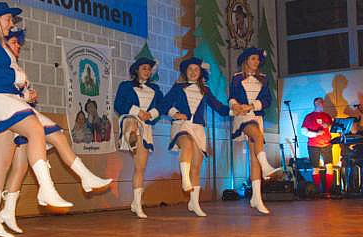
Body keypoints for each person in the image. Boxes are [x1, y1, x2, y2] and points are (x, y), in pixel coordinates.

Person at [0, 2, 71, 237]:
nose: (11, 24)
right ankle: (46, 189)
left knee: (3, 164)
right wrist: (20, 80)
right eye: (8, 19)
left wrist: (24, 92)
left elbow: (8, 79)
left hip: (7, 107)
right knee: (34, 132)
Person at [1, 29, 112, 233]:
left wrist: (29, 96)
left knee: (21, 167)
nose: (18, 47)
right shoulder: (2, 64)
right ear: (3, 43)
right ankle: (83, 177)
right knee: (54, 137)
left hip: (20, 116)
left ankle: (8, 211)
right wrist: (25, 97)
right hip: (10, 116)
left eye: (19, 43)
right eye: (14, 42)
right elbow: (1, 91)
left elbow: (17, 92)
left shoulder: (15, 66)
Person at [161, 57, 229, 217]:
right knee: (187, 144)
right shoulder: (178, 87)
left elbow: (218, 106)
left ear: (200, 72)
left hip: (198, 128)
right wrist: (175, 113)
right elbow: (163, 104)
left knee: (197, 166)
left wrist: (234, 110)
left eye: (196, 69)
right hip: (181, 125)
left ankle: (194, 203)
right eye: (190, 69)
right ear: (185, 72)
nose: (193, 72)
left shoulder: (205, 90)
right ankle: (185, 180)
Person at [229, 47, 281, 214]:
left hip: (257, 117)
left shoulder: (264, 79)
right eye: (253, 58)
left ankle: (256, 198)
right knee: (257, 136)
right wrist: (235, 106)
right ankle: (266, 167)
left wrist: (252, 106)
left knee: (254, 158)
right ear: (246, 61)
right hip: (242, 118)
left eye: (258, 59)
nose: (256, 62)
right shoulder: (237, 78)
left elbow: (267, 100)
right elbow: (232, 97)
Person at [114, 58, 163, 218]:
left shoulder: (155, 89)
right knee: (132, 122)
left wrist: (151, 114)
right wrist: (138, 111)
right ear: (136, 70)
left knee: (140, 168)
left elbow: (162, 106)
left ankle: (136, 203)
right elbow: (118, 104)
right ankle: (131, 137)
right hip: (130, 118)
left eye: (149, 69)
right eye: (144, 68)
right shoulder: (125, 86)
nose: (147, 71)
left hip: (146, 127)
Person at [301, 97, 335, 195]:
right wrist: (316, 133)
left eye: (322, 103)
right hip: (313, 145)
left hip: (326, 144)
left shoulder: (327, 116)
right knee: (315, 168)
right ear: (315, 104)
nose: (321, 105)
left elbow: (333, 127)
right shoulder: (309, 116)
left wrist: (328, 126)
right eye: (319, 103)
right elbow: (303, 131)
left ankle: (328, 191)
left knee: (329, 166)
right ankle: (317, 191)